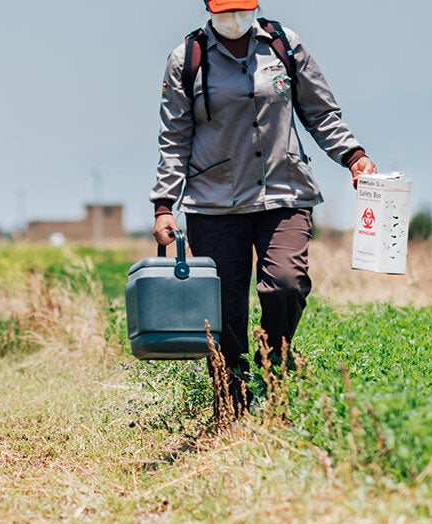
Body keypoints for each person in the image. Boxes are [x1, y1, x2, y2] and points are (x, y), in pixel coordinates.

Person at [151, 0, 375, 410]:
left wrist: (353, 156)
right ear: (209, 9)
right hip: (215, 203)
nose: (235, 18)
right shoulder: (187, 59)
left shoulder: (284, 46)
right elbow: (174, 138)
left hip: (284, 193)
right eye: (225, 11)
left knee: (286, 284)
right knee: (225, 307)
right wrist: (164, 204)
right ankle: (232, 399)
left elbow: (321, 113)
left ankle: (273, 367)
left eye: (242, 8)